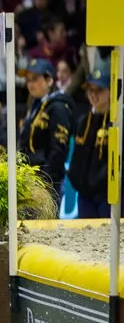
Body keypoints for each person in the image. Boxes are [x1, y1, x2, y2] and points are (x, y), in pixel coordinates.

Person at [18, 58, 72, 207]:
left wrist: (46, 179)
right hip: (28, 179)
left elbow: (59, 149)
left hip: (46, 182)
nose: (30, 84)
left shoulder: (58, 107)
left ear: (49, 80)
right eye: (28, 80)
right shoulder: (33, 106)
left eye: (35, 79)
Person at [68, 64, 112, 218]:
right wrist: (75, 179)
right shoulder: (83, 121)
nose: (93, 95)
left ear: (111, 92)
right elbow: (77, 156)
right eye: (90, 90)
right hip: (84, 196)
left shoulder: (117, 122)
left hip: (108, 197)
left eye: (99, 90)